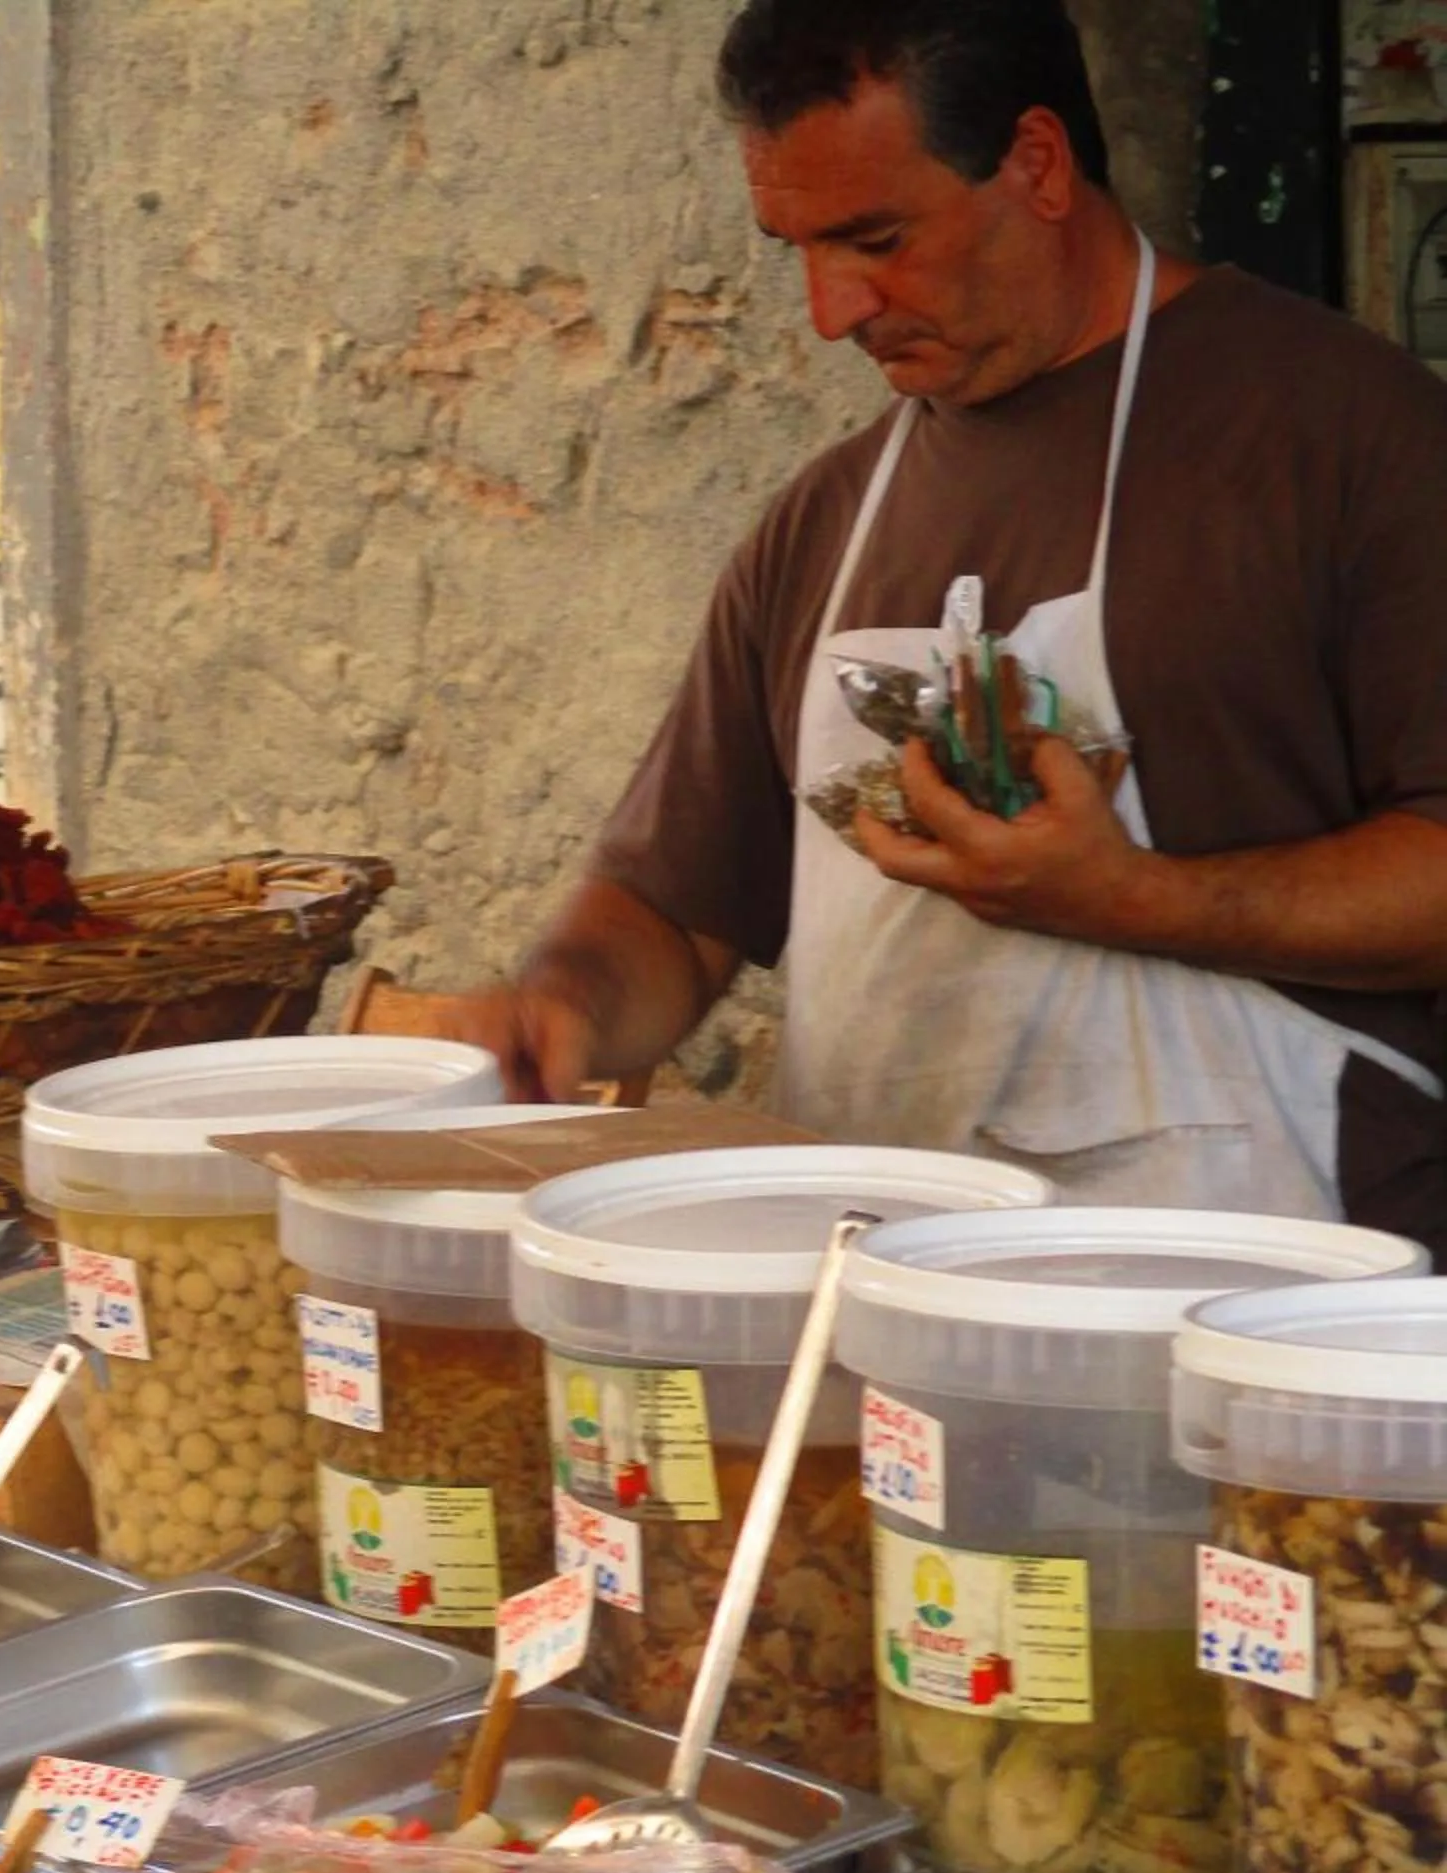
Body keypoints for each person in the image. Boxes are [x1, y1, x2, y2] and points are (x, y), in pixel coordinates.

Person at [425, 0, 1447, 1254]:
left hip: (1263, 1316)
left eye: (875, 238)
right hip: (890, 1320)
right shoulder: (825, 521)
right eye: (793, 248)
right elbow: (675, 909)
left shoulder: (1352, 435)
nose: (831, 309)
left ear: (1037, 163)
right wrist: (563, 1002)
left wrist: (1137, 898)